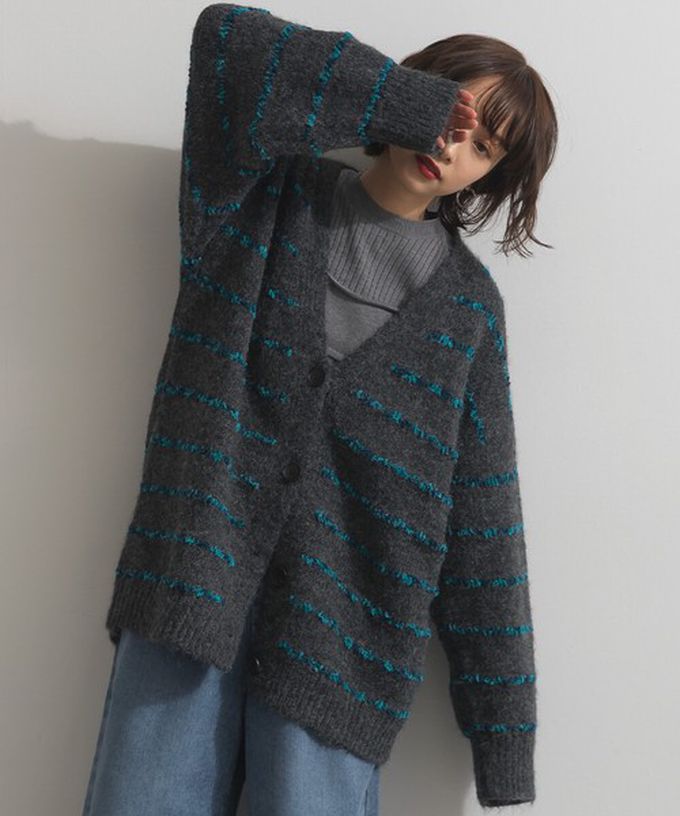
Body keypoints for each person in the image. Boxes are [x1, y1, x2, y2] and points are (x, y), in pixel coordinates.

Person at [81, 4, 557, 814]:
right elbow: (226, 42)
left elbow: (485, 528)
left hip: (343, 658)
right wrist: (407, 103)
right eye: (453, 113)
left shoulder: (468, 314)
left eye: (483, 145)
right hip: (188, 595)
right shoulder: (256, 197)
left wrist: (503, 740)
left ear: (492, 176)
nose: (452, 146)